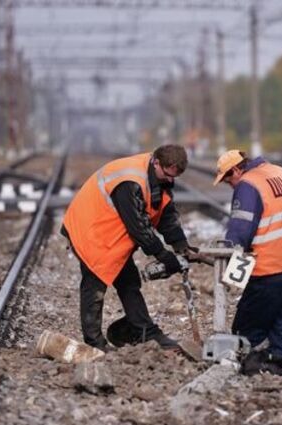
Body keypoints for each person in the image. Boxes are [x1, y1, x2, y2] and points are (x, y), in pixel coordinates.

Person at [61, 144, 198, 352]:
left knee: (129, 282)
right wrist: (161, 253)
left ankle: (146, 332)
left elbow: (166, 214)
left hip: (113, 233)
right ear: (156, 162)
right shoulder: (130, 181)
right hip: (91, 231)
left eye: (174, 177)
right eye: (167, 175)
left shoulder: (159, 180)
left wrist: (181, 245)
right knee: (95, 287)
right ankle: (95, 344)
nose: (170, 180)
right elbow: (138, 226)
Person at [213, 149, 282, 376]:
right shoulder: (277, 171)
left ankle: (244, 365)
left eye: (228, 178)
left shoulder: (247, 185)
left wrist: (229, 266)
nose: (229, 184)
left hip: (269, 268)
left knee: (246, 325)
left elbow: (240, 231)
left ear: (237, 169)